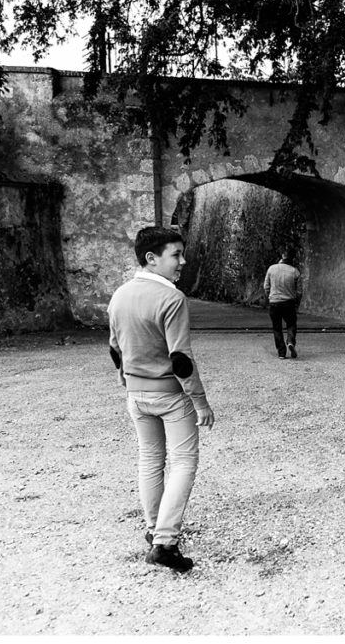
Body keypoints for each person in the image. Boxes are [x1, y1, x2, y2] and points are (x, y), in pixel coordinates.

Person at [108, 226, 215, 573]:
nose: (183, 262)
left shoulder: (119, 295)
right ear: (151, 259)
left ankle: (154, 529)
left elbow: (114, 348)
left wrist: (127, 382)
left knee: (150, 461)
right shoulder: (171, 298)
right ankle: (166, 543)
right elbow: (180, 360)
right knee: (184, 463)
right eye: (176, 255)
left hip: (135, 395)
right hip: (169, 395)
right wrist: (200, 402)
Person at [263, 248, 303, 359]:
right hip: (288, 303)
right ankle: (290, 341)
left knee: (277, 328)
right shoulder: (295, 271)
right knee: (291, 324)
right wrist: (297, 303)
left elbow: (266, 287)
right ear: (292, 259)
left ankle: (281, 353)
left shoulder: (272, 269)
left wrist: (270, 298)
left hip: (274, 303)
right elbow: (299, 292)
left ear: (282, 256)